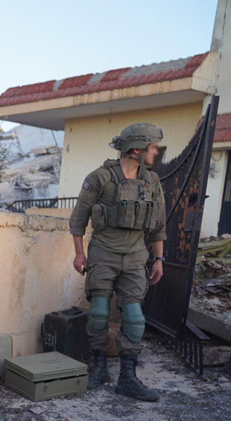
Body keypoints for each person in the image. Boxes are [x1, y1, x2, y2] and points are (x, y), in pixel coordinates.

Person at [69, 123, 167, 402]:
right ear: (135, 149)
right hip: (103, 252)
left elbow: (158, 226)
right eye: (152, 147)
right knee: (99, 312)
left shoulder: (152, 182)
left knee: (135, 318)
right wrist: (79, 252)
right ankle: (99, 368)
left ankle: (128, 378)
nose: (156, 152)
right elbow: (78, 219)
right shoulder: (100, 178)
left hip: (136, 256)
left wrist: (159, 258)